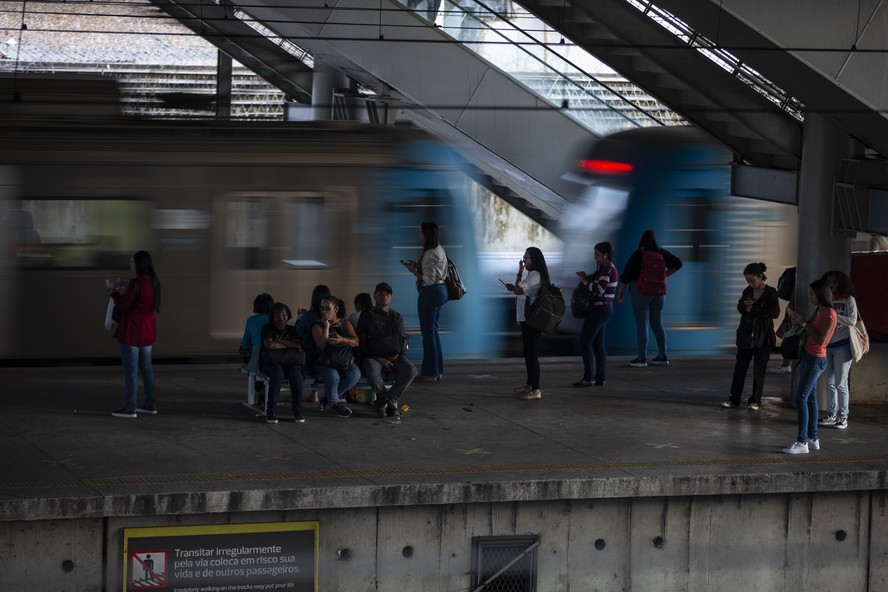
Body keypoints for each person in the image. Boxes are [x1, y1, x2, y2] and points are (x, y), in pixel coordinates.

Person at [782, 279, 837, 455]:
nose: (810, 297)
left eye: (812, 294)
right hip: (807, 355)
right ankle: (813, 438)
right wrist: (800, 321)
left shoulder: (829, 314)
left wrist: (805, 323)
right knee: (811, 398)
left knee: (801, 398)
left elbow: (822, 341)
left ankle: (802, 441)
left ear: (821, 294)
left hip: (816, 359)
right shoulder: (818, 310)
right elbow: (810, 330)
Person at [616, 229, 682, 368]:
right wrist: (663, 276)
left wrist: (620, 293)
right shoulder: (661, 253)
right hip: (659, 293)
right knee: (658, 324)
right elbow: (678, 264)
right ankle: (662, 356)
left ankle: (641, 358)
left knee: (642, 325)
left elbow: (626, 276)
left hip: (641, 293)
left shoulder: (638, 254)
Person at [108, 250, 161, 418]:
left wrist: (113, 293)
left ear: (138, 264)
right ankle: (150, 404)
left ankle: (130, 408)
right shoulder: (153, 282)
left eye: (132, 261)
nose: (130, 263)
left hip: (131, 332)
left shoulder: (135, 284)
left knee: (131, 371)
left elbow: (124, 306)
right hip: (147, 332)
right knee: (147, 369)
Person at [721, 263, 780, 410]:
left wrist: (753, 308)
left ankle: (755, 400)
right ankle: (734, 398)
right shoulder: (747, 291)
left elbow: (774, 313)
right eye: (748, 281)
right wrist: (746, 306)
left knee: (759, 370)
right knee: (740, 368)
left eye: (752, 280)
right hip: (746, 335)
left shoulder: (771, 292)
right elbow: (740, 308)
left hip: (763, 337)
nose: (750, 284)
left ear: (761, 277)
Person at [357, 282, 417, 418]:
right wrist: (379, 359)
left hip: (396, 358)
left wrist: (397, 356)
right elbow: (363, 342)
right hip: (374, 358)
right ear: (374, 297)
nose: (384, 296)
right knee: (372, 371)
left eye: (387, 294)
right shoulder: (367, 316)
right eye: (380, 294)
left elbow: (403, 341)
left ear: (391, 297)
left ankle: (387, 400)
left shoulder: (397, 317)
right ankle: (387, 402)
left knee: (411, 370)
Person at [402, 222, 449, 382]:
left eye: (420, 232)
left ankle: (429, 372)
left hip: (431, 292)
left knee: (427, 334)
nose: (419, 235)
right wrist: (417, 266)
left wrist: (414, 271)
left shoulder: (429, 253)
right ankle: (438, 370)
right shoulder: (440, 249)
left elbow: (428, 279)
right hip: (441, 291)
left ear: (426, 234)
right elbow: (435, 273)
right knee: (433, 332)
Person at [504, 247, 549, 400]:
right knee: (528, 353)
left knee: (532, 355)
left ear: (534, 259)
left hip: (532, 320)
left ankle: (536, 390)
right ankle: (530, 385)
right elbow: (519, 290)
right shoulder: (532, 274)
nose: (524, 260)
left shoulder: (535, 275)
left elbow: (518, 290)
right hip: (526, 319)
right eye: (524, 257)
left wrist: (519, 273)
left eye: (527, 257)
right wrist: (515, 285)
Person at [573, 242, 618, 388]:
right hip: (604, 310)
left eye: (597, 255)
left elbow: (599, 289)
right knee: (598, 345)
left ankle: (588, 378)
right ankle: (600, 378)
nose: (595, 258)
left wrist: (584, 280)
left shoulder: (607, 270)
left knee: (584, 342)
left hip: (599, 311)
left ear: (605, 255)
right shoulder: (608, 270)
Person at [817, 270, 858, 430]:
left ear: (841, 283)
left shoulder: (848, 299)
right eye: (828, 282)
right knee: (829, 383)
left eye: (833, 282)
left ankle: (843, 417)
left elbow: (853, 320)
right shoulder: (825, 300)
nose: (831, 285)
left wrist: (833, 315)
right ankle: (831, 414)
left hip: (843, 345)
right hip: (827, 345)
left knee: (841, 383)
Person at [312, 295, 361, 418]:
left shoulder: (344, 323)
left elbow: (356, 342)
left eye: (327, 308)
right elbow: (321, 346)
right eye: (322, 308)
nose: (324, 311)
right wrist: (327, 327)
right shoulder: (317, 325)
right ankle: (335, 404)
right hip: (325, 361)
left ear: (336, 309)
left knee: (355, 374)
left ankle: (327, 398)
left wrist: (341, 340)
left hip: (343, 359)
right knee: (333, 376)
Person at [260, 302, 305, 424]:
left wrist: (280, 341)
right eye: (279, 315)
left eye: (284, 315)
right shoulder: (267, 328)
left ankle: (297, 411)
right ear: (273, 318)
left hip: (289, 362)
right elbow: (270, 345)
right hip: (271, 362)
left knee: (296, 374)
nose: (282, 318)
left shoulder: (291, 329)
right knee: (278, 373)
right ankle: (271, 412)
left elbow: (298, 345)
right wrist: (288, 345)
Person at [296, 284, 330, 403]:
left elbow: (298, 331)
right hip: (329, 358)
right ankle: (316, 394)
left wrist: (299, 318)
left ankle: (314, 394)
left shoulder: (308, 316)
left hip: (310, 359)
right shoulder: (332, 315)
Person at [240, 293, 274, 397]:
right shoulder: (274, 320)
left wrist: (243, 349)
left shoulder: (251, 320)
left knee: (252, 355)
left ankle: (259, 388)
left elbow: (245, 341)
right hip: (274, 354)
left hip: (257, 357)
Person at [768, 266, 796, 374]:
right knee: (789, 338)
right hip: (792, 313)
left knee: (789, 338)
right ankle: (786, 364)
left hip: (792, 313)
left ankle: (786, 365)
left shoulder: (799, 277)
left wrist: (789, 311)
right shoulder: (803, 275)